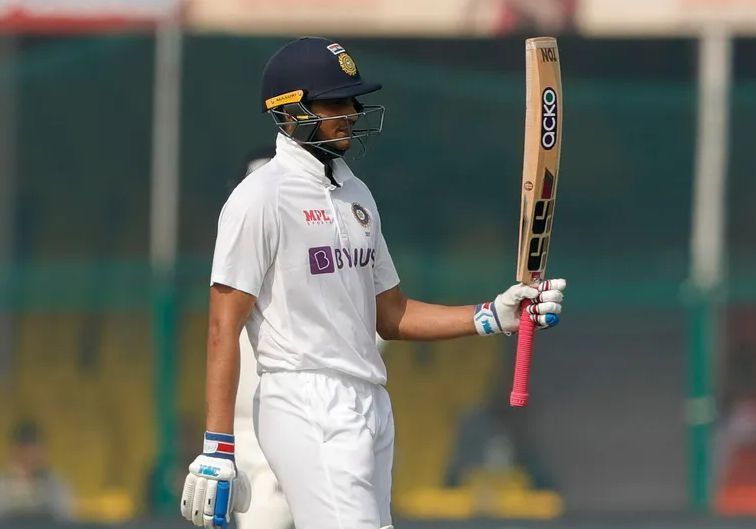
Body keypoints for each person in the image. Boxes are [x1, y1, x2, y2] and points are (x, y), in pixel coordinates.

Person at [180, 36, 566, 529]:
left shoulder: (356, 193)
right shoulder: (260, 197)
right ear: (290, 110)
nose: (351, 112)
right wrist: (217, 446)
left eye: (351, 100)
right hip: (305, 401)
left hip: (369, 400)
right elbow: (222, 326)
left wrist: (492, 316)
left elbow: (391, 313)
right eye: (334, 101)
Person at [0, 421, 74, 521]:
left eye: (33, 449)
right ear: (13, 450)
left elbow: (65, 518)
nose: (28, 456)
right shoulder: (3, 483)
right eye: (23, 449)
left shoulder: (56, 483)